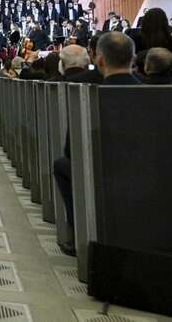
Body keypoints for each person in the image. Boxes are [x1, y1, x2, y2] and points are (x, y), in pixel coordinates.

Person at [53, 31, 140, 256]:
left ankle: (78, 230)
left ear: (99, 60)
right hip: (146, 170)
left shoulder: (83, 92)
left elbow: (71, 150)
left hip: (101, 168)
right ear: (133, 58)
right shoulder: (153, 90)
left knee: (63, 164)